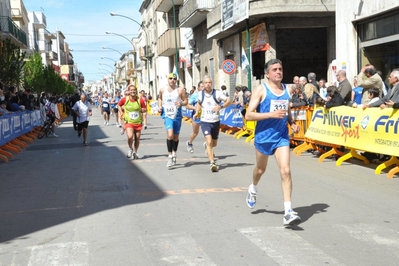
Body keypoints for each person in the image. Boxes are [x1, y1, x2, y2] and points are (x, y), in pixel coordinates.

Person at [244, 58, 301, 227]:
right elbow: (248, 115)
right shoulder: (261, 90)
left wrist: (292, 123)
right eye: (275, 69)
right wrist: (270, 115)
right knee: (260, 170)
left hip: (281, 136)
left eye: (280, 69)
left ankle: (288, 212)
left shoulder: (286, 89)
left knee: (285, 171)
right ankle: (253, 188)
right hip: (263, 137)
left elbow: (287, 110)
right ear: (267, 74)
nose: (278, 72)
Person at [194, 76, 230, 172]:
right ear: (203, 84)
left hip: (215, 121)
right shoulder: (200, 94)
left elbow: (228, 101)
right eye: (206, 83)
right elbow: (199, 103)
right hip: (205, 121)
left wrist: (221, 107)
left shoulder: (217, 93)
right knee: (209, 141)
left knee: (214, 144)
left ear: (211, 83)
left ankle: (207, 146)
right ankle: (212, 163)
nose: (208, 84)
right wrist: (196, 112)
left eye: (209, 82)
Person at [158, 73, 188, 168]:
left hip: (177, 116)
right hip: (168, 116)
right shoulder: (163, 90)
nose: (172, 80)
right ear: (168, 80)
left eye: (174, 78)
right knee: (170, 135)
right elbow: (159, 98)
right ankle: (170, 156)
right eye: (170, 78)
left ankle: (174, 152)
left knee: (175, 137)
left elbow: (186, 101)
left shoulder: (180, 90)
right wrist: (159, 106)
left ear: (176, 80)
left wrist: (181, 103)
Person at [118, 85, 147, 159]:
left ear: (136, 90)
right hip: (129, 122)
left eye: (134, 90)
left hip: (138, 122)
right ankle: (130, 148)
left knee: (137, 138)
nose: (132, 91)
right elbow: (118, 105)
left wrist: (142, 110)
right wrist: (121, 112)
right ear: (129, 91)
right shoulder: (125, 99)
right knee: (130, 136)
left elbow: (145, 109)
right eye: (131, 90)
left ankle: (135, 152)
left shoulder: (140, 99)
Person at [185, 81, 204, 153]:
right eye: (202, 86)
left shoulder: (208, 95)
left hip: (206, 117)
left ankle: (208, 147)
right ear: (198, 88)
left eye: (204, 86)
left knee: (208, 134)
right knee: (195, 133)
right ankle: (189, 143)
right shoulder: (195, 95)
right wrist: (195, 108)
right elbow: (187, 105)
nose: (203, 88)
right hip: (197, 117)